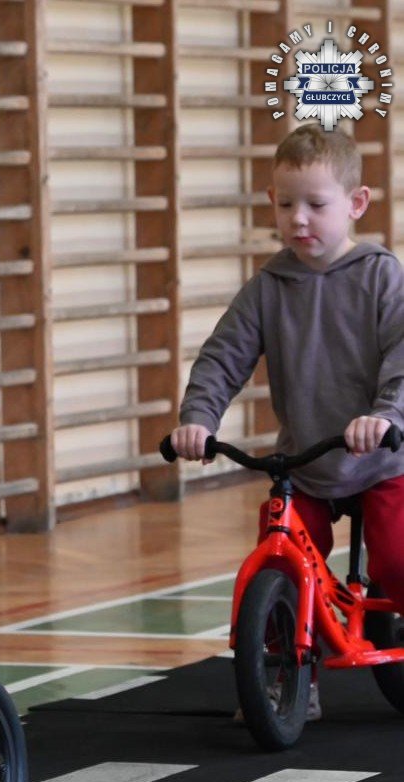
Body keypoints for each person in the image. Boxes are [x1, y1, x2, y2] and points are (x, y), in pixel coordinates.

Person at [170, 123, 404, 723]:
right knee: (278, 563)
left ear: (356, 203)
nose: (299, 218)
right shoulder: (269, 288)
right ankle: (290, 680)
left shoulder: (382, 277)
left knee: (398, 560)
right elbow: (222, 358)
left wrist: (386, 416)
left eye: (316, 205)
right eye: (286, 204)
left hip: (383, 458)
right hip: (308, 460)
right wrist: (198, 420)